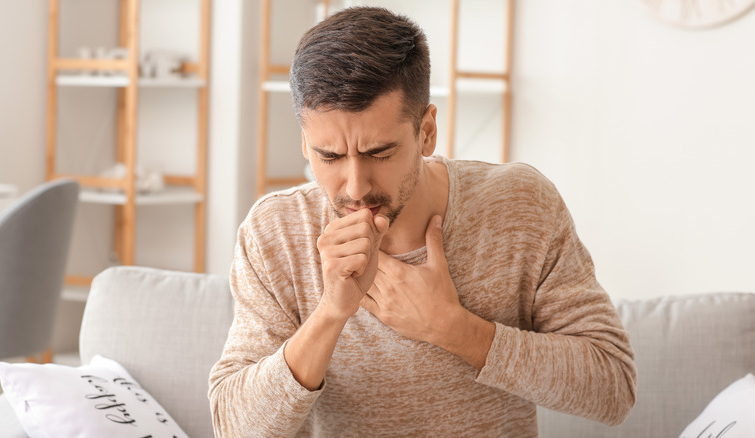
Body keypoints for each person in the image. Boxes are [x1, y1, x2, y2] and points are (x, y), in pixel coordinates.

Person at [209, 6, 636, 437]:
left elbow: (613, 389)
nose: (355, 187)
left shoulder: (520, 205)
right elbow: (234, 428)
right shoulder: (275, 232)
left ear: (427, 131)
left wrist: (451, 327)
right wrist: (331, 312)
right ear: (304, 141)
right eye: (330, 156)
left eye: (379, 153)